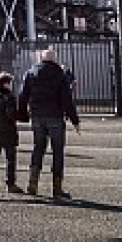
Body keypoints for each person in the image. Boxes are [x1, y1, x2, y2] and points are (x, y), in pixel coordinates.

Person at [18, 49, 81, 200]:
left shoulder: (30, 73)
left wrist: (22, 114)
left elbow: (23, 96)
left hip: (37, 116)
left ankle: (32, 183)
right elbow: (67, 100)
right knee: (57, 151)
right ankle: (56, 188)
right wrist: (75, 120)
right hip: (55, 116)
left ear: (41, 59)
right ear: (54, 59)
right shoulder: (59, 75)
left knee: (38, 148)